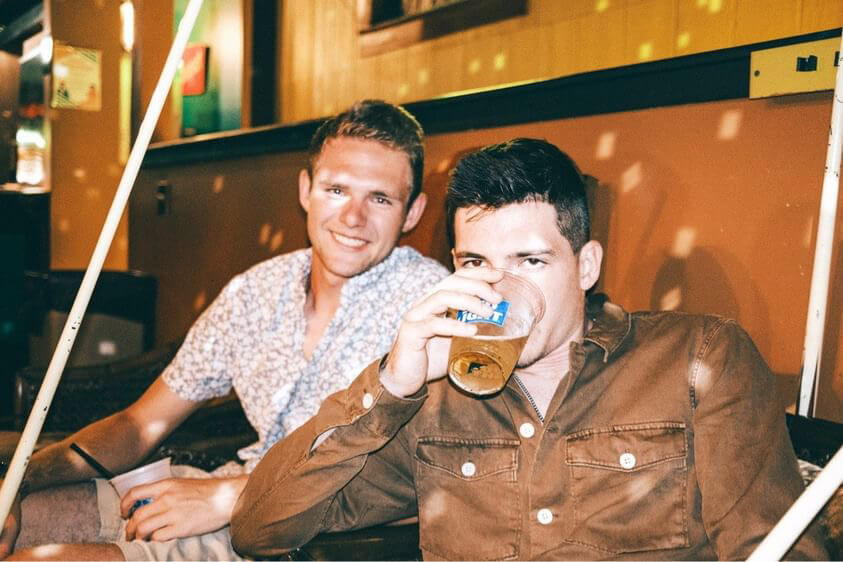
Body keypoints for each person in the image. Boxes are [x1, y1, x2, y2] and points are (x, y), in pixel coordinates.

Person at [231, 138, 830, 560]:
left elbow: (774, 549)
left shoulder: (698, 359)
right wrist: (389, 386)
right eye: (475, 263)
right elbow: (259, 530)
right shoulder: (430, 398)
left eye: (530, 262)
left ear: (585, 265)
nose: (498, 288)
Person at [0, 99, 449, 561]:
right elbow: (139, 424)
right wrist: (19, 478)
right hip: (215, 491)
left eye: (380, 199)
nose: (353, 218)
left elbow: (428, 482)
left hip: (302, 538)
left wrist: (232, 497)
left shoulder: (432, 308)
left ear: (412, 212)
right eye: (337, 190)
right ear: (305, 190)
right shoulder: (255, 291)